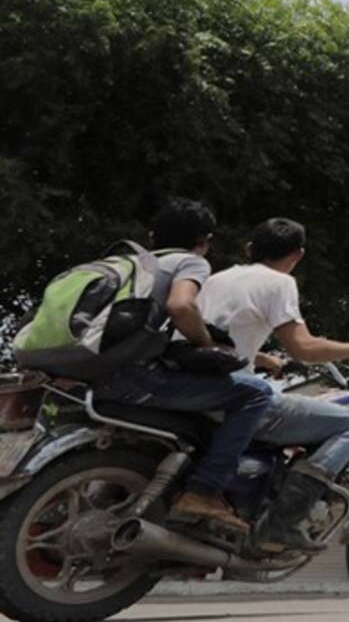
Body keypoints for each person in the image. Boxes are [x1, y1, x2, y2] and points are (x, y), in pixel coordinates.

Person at [196, 217, 349, 550]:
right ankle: (283, 521)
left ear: (250, 249)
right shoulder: (279, 283)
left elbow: (215, 338)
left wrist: (263, 359)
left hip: (198, 384)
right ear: (297, 256)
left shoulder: (218, 278)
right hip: (233, 395)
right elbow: (303, 348)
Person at [94, 199, 274, 533]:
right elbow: (181, 306)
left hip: (90, 377)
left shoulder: (128, 263)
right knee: (256, 393)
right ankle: (203, 491)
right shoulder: (191, 262)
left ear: (152, 235)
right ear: (204, 241)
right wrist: (208, 347)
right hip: (134, 378)